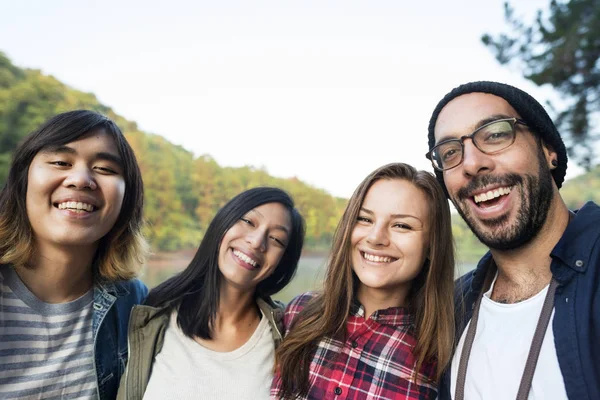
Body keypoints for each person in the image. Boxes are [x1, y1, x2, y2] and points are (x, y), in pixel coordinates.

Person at [426, 81, 600, 400]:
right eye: (450, 152)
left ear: (548, 150)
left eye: (495, 134)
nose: (471, 163)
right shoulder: (450, 307)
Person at [272, 162, 455, 400]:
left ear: (432, 244)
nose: (376, 237)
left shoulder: (441, 354)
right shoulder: (298, 312)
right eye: (365, 219)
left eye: (402, 225)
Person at [0, 110, 149, 400]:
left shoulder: (133, 303)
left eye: (105, 169)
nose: (81, 180)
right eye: (60, 162)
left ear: (126, 199)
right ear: (23, 179)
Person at [116, 187, 305, 400]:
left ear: (283, 261)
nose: (257, 242)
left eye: (276, 239)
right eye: (249, 222)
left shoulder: (287, 338)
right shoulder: (151, 315)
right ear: (223, 223)